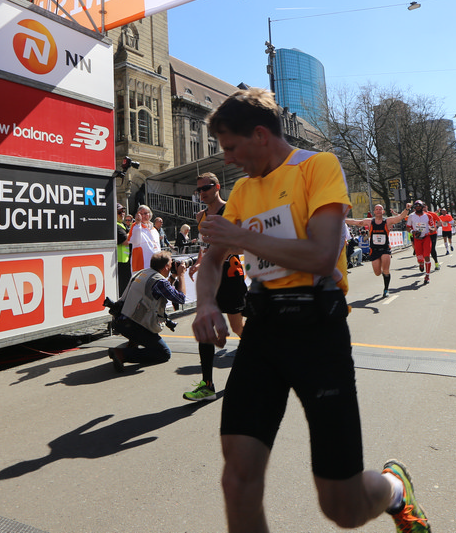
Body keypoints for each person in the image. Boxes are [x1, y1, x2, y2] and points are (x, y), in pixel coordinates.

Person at [192, 88, 430, 533]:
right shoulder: (243, 190)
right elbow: (212, 260)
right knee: (237, 480)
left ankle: (395, 489)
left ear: (260, 134)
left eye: (231, 147)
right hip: (263, 331)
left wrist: (242, 238)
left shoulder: (318, 166)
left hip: (317, 331)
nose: (227, 160)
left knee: (343, 509)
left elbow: (321, 254)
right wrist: (206, 302)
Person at [185, 172, 247, 400]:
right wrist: (199, 262)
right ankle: (207, 385)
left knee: (238, 328)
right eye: (199, 189)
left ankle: (264, 357)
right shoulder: (200, 216)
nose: (202, 193)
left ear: (217, 187)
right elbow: (205, 246)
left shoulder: (231, 211)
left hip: (230, 278)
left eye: (206, 188)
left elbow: (243, 246)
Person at [108, 251, 186, 371]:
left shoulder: (144, 272)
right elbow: (181, 299)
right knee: (164, 353)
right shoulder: (159, 281)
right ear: (166, 267)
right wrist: (181, 275)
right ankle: (122, 354)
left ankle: (131, 345)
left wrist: (173, 276)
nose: (173, 266)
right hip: (133, 324)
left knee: (145, 332)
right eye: (171, 263)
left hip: (120, 320)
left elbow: (163, 290)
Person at [345, 204, 408, 297]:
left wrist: (407, 208)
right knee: (377, 273)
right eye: (376, 209)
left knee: (386, 269)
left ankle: (386, 289)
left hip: (385, 249)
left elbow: (400, 217)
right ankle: (383, 273)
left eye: (380, 209)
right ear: (374, 212)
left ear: (383, 211)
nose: (378, 211)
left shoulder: (387, 221)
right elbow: (355, 222)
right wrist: (342, 219)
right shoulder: (370, 222)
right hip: (374, 250)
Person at [405, 200, 437, 284]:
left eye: (420, 206)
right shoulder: (411, 216)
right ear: (414, 208)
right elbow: (407, 227)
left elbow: (433, 227)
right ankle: (421, 264)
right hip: (417, 239)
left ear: (423, 207)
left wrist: (432, 229)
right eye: (416, 206)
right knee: (420, 259)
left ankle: (427, 276)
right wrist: (413, 232)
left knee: (427, 256)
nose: (418, 207)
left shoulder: (428, 216)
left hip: (426, 238)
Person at [129, 205, 161, 273]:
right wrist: (138, 223)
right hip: (142, 266)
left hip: (155, 265)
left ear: (150, 214)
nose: (143, 215)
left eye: (146, 213)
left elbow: (158, 247)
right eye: (141, 214)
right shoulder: (135, 226)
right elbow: (135, 241)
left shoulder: (154, 229)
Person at [116, 205, 132, 293]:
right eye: (119, 212)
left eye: (123, 211)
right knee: (123, 289)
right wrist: (134, 230)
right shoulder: (116, 225)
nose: (122, 214)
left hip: (126, 261)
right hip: (120, 262)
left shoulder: (123, 225)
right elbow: (126, 241)